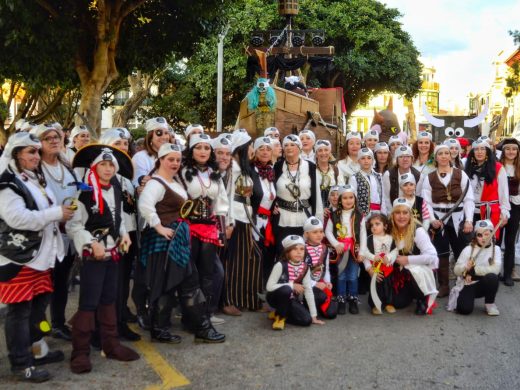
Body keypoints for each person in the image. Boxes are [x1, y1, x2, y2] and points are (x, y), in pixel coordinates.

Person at [0, 133, 72, 382]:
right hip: (19, 258)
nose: (35, 156)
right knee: (19, 313)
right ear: (16, 154)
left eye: (36, 151)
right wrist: (56, 213)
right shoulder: (7, 183)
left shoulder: (31, 178)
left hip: (40, 257)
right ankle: (21, 363)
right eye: (30, 152)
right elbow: (16, 218)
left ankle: (37, 349)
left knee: (39, 308)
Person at [138, 143, 226, 343]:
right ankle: (194, 328)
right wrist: (159, 227)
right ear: (160, 160)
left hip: (177, 239)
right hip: (164, 241)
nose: (175, 163)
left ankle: (178, 328)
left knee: (181, 283)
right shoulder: (156, 183)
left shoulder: (174, 182)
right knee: (176, 284)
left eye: (177, 159)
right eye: (170, 159)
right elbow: (145, 205)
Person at [66, 145, 139, 374]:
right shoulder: (82, 192)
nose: (107, 169)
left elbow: (119, 219)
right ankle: (80, 352)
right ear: (95, 166)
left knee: (109, 300)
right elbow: (73, 224)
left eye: (111, 165)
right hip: (93, 255)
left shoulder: (116, 189)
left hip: (113, 251)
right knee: (88, 303)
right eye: (103, 164)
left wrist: (124, 235)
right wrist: (91, 243)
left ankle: (111, 344)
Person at [32, 124, 79, 342]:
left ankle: (58, 324)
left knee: (62, 282)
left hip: (67, 235)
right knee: (42, 286)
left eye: (57, 137)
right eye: (47, 138)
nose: (53, 141)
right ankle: (39, 329)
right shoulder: (34, 169)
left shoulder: (67, 166)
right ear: (38, 144)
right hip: (44, 237)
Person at [180, 133, 229, 319]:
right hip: (188, 227)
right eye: (198, 147)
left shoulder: (214, 173)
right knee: (189, 274)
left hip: (209, 228)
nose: (203, 151)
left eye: (206, 148)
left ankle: (205, 314)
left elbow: (221, 203)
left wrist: (222, 231)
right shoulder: (182, 171)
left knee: (208, 274)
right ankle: (188, 315)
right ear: (191, 151)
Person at [99, 128, 140, 341]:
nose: (123, 147)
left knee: (123, 279)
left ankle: (120, 319)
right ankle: (109, 326)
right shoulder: (102, 174)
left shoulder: (124, 175)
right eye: (118, 144)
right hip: (112, 235)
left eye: (125, 144)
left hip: (129, 232)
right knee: (111, 282)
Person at [422, 144, 474, 297]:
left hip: (459, 218)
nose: (444, 156)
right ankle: (444, 285)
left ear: (451, 156)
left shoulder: (461, 175)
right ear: (436, 157)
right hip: (439, 219)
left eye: (447, 153)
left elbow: (469, 199)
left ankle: (463, 281)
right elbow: (426, 202)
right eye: (440, 154)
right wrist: (432, 220)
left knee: (462, 252)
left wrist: (469, 220)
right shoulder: (429, 177)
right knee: (441, 253)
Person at [223, 130, 263, 314]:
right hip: (236, 219)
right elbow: (228, 196)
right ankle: (230, 300)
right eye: (250, 146)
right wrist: (229, 223)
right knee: (236, 262)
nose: (252, 150)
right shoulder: (232, 167)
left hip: (245, 217)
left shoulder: (244, 168)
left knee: (252, 258)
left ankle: (249, 298)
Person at [273, 134, 323, 254]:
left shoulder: (310, 167)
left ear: (299, 147)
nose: (289, 147)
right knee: (283, 254)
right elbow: (270, 189)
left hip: (304, 218)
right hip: (283, 219)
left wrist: (318, 224)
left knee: (303, 255)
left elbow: (317, 196)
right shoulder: (277, 167)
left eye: (293, 145)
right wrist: (272, 205)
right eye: (286, 145)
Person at [390, 198, 439, 315]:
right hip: (401, 273)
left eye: (405, 212)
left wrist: (407, 260)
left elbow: (432, 256)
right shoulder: (390, 229)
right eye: (398, 212)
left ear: (410, 214)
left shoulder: (418, 230)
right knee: (398, 303)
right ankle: (409, 294)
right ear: (392, 215)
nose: (401, 216)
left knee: (412, 270)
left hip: (420, 271)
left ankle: (422, 298)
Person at [265, 235, 325, 330]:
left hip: (291, 299)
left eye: (302, 249)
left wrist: (314, 316)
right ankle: (280, 318)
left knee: (306, 320)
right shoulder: (280, 265)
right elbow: (269, 287)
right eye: (294, 249)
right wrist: (292, 285)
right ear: (287, 252)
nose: (299, 252)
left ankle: (279, 313)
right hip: (276, 297)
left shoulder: (305, 267)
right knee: (286, 289)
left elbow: (308, 290)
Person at [450, 220, 501, 315]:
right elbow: (456, 270)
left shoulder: (496, 249)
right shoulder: (468, 249)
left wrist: (474, 270)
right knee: (464, 310)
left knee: (493, 277)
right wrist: (465, 267)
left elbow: (496, 270)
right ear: (475, 236)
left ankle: (489, 304)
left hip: (485, 282)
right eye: (479, 235)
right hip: (469, 282)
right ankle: (467, 298)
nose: (483, 238)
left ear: (492, 234)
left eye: (486, 234)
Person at [325, 185, 362, 315]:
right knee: (341, 275)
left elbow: (362, 233)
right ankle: (341, 299)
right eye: (345, 198)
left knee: (352, 275)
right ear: (340, 200)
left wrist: (362, 250)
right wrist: (335, 244)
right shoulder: (334, 215)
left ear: (355, 199)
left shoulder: (359, 215)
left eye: (351, 197)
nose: (348, 200)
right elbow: (328, 232)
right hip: (341, 250)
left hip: (353, 249)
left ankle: (352, 299)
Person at [465, 139, 509, 239]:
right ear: (472, 153)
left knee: (490, 244)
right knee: (473, 244)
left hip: (490, 212)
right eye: (476, 149)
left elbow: (504, 193)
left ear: (487, 152)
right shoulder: (467, 169)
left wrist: (504, 212)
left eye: (482, 149)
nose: (479, 152)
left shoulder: (498, 168)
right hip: (471, 213)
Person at [251, 136, 277, 286]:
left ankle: (263, 289)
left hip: (268, 221)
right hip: (253, 220)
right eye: (261, 148)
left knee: (267, 257)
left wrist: (275, 205)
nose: (265, 152)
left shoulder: (271, 171)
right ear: (255, 151)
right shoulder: (250, 170)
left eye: (268, 149)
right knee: (255, 257)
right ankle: (253, 291)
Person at [360, 213, 398, 315]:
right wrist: (373, 258)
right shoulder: (368, 239)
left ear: (385, 226)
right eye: (372, 225)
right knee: (376, 285)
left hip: (387, 266)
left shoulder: (390, 238)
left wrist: (389, 257)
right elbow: (364, 251)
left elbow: (395, 251)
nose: (374, 227)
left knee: (388, 284)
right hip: (375, 266)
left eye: (377, 224)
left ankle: (388, 303)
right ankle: (375, 305)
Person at [303, 217, 337, 319]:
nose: (319, 235)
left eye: (321, 231)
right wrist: (315, 284)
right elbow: (300, 273)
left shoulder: (324, 248)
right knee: (320, 296)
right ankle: (306, 305)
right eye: (315, 232)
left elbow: (326, 268)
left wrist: (327, 282)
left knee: (332, 314)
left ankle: (317, 305)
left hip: (320, 281)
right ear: (306, 234)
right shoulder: (302, 248)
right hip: (305, 283)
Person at [499, 138, 520, 285]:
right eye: (508, 149)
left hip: (516, 205)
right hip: (499, 206)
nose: (511, 152)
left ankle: (507, 273)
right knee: (496, 240)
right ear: (503, 151)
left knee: (510, 241)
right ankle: (493, 272)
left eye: (514, 149)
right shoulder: (498, 166)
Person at [132, 117, 171, 188]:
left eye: (166, 133)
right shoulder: (140, 157)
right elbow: (138, 183)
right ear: (150, 136)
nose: (164, 137)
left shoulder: (175, 156)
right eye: (159, 133)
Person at [382, 145, 420, 213]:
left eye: (408, 156)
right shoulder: (388, 174)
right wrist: (392, 214)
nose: (405, 159)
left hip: (413, 213)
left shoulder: (418, 175)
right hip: (394, 212)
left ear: (412, 159)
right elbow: (386, 198)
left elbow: (418, 197)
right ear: (396, 159)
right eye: (401, 156)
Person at [349, 147, 385, 215]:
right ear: (358, 161)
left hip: (378, 212)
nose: (366, 161)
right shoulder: (354, 178)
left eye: (369, 158)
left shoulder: (378, 176)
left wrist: (384, 214)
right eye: (363, 158)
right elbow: (353, 198)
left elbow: (382, 198)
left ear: (372, 160)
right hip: (363, 214)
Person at [315, 139, 337, 208]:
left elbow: (341, 192)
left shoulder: (335, 170)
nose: (323, 153)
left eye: (326, 150)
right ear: (316, 154)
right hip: (315, 210)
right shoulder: (311, 170)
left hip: (333, 211)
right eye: (320, 150)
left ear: (330, 152)